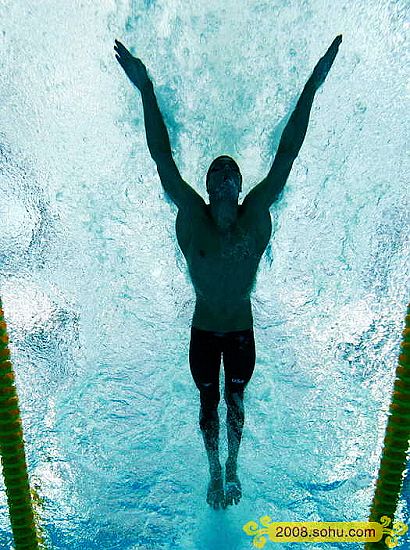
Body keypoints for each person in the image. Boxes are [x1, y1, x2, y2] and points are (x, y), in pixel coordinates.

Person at [114, 34, 342, 510]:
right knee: (207, 407)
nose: (222, 176)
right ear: (207, 185)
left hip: (239, 330)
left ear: (238, 187)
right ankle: (214, 473)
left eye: (230, 172)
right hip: (202, 331)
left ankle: (233, 467)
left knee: (235, 403)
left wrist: (313, 86)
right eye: (215, 171)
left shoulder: (254, 214)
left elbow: (287, 154)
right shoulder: (192, 216)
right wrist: (145, 87)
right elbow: (162, 157)